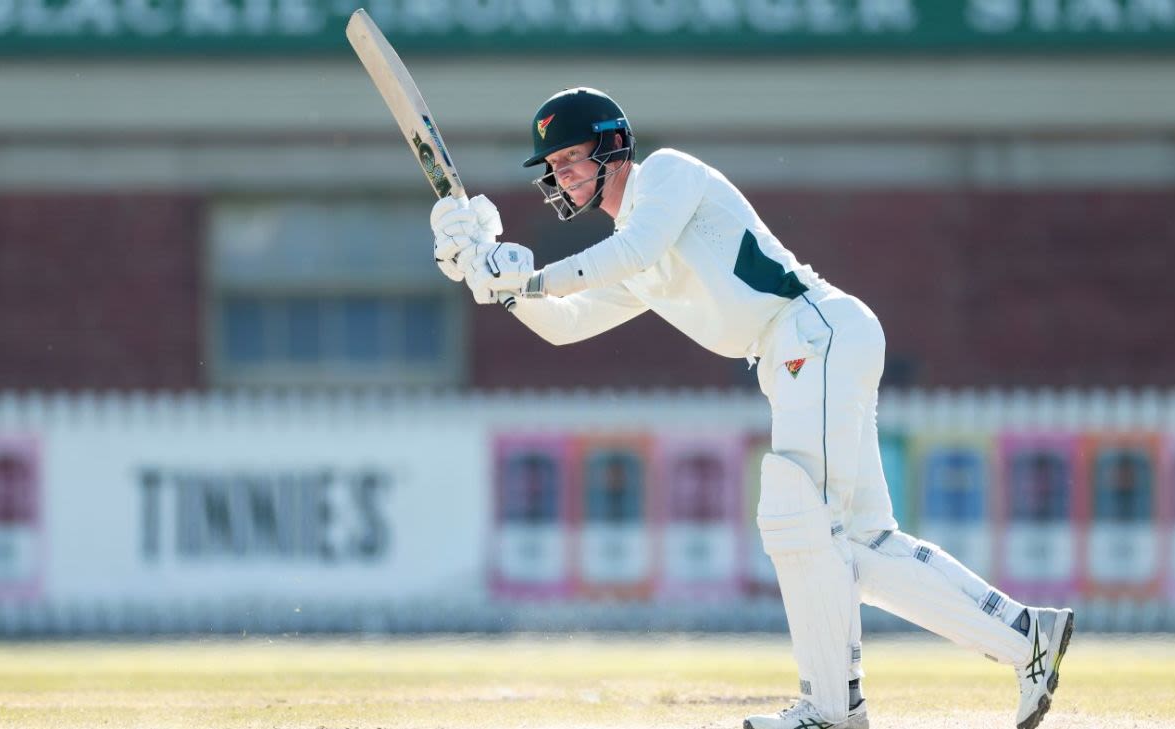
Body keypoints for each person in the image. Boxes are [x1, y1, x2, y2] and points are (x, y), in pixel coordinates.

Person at [429, 87, 1072, 729]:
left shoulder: (669, 177)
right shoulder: (630, 253)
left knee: (797, 517)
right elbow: (566, 325)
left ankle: (830, 710)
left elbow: (632, 252)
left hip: (811, 332)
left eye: (572, 158)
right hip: (807, 349)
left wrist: (526, 275)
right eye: (555, 168)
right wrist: (493, 282)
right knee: (861, 544)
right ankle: (1024, 637)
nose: (563, 177)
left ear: (613, 144)